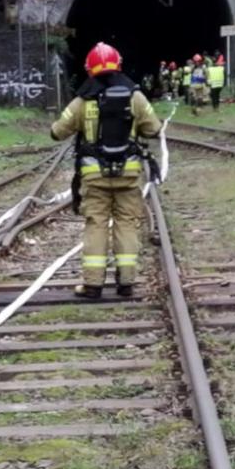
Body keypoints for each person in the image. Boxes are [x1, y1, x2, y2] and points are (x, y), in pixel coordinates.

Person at [51, 43, 163, 299]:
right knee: (127, 223)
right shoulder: (135, 97)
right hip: (129, 174)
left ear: (89, 69)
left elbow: (57, 132)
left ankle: (92, 284)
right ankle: (126, 282)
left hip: (94, 177)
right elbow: (154, 129)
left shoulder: (82, 100)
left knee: (96, 224)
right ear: (118, 65)